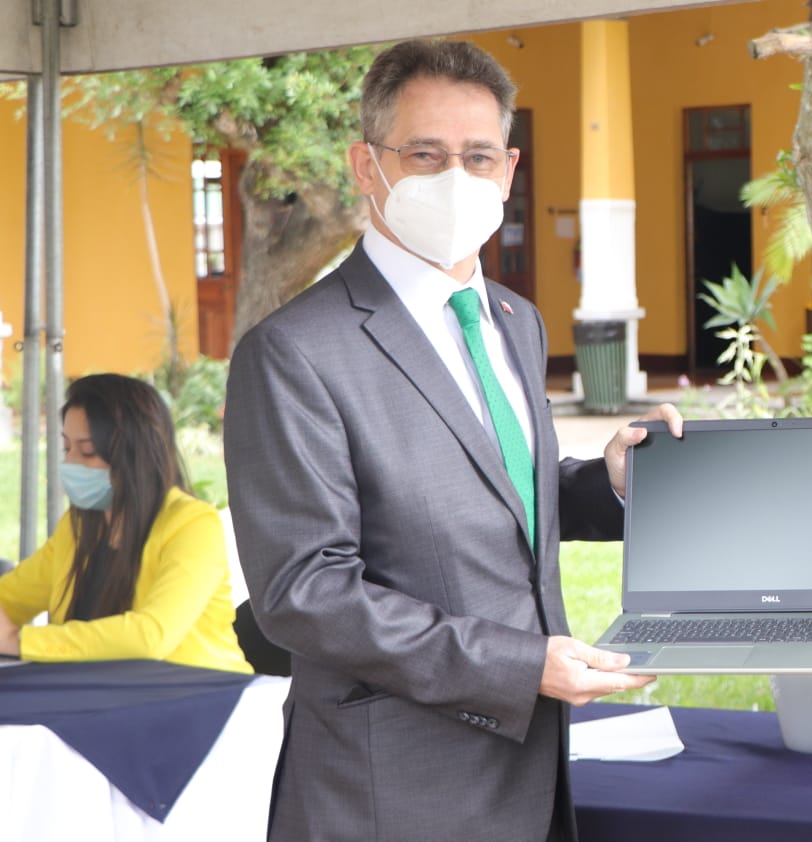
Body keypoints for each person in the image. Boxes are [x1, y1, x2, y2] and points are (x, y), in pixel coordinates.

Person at [223, 39, 679, 842]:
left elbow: (495, 487)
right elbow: (305, 591)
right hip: (390, 787)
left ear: (508, 170)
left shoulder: (514, 320)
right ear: (366, 166)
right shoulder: (295, 351)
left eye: (477, 157)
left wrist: (604, 482)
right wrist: (521, 665)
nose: (455, 179)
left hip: (530, 770)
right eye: (425, 155)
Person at [0, 374, 250, 674]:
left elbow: (151, 635)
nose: (71, 463)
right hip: (102, 691)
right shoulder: (77, 527)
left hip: (202, 694)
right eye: (67, 448)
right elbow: (10, 597)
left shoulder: (194, 525)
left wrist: (19, 641)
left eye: (88, 451)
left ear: (133, 453)